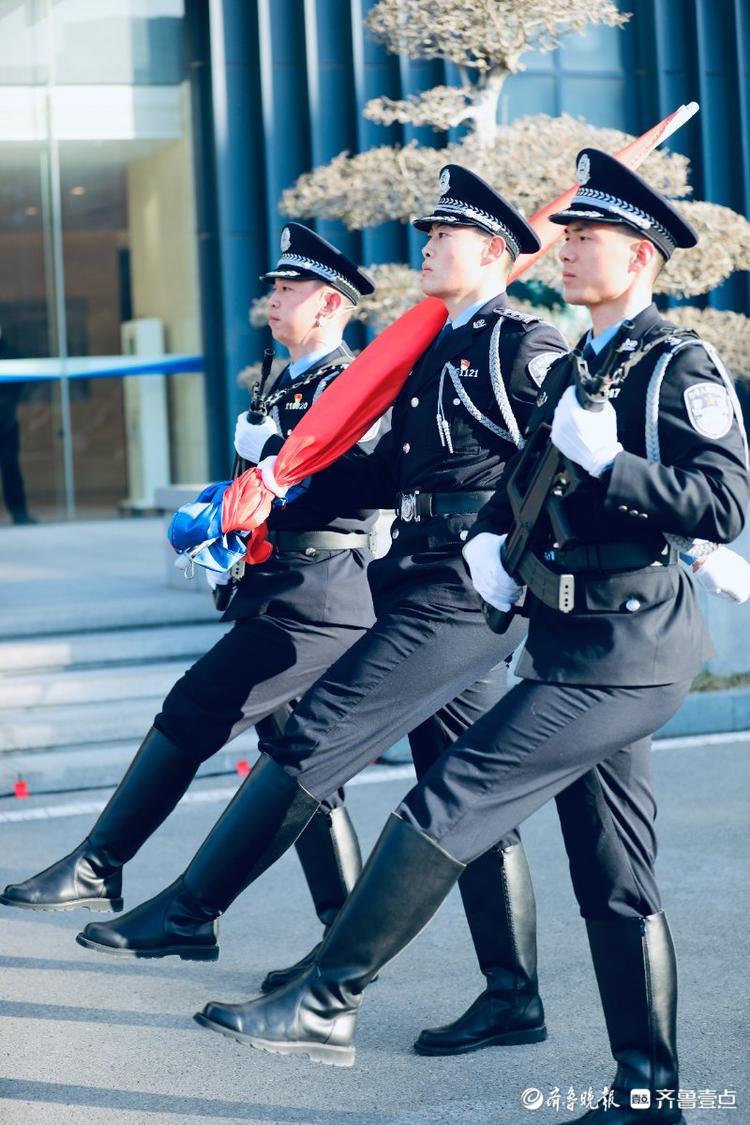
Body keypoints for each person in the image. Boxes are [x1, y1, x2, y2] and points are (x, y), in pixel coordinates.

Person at [189, 150, 748, 1125]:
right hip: (568, 640)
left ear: (641, 258)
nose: (566, 249)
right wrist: (492, 547)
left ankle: (326, 1001)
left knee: (450, 796)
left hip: (628, 651)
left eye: (588, 237)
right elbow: (524, 480)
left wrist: (614, 467)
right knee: (613, 876)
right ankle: (649, 1090)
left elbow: (724, 501)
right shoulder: (578, 365)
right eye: (567, 234)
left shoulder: (677, 363)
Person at [66, 166, 571, 1057]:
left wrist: (523, 557)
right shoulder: (430, 351)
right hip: (415, 574)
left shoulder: (519, 344)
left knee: (315, 733)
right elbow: (381, 476)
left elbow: (567, 461)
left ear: (495, 250)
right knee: (468, 792)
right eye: (428, 232)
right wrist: (270, 486)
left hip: (466, 589)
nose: (426, 246)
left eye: (444, 235)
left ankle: (193, 910)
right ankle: (512, 994)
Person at [1, 225, 383, 976]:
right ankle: (341, 943)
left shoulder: (351, 386)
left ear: (332, 304)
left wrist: (281, 463)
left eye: (292, 290)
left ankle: (99, 865)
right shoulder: (286, 382)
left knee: (195, 705)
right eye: (275, 288)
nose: (275, 300)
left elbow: (363, 488)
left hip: (320, 596)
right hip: (276, 585)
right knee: (301, 770)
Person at [0, 327, 35, 525]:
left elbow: (19, 383)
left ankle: (19, 512)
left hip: (6, 421)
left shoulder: (11, 354)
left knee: (10, 467)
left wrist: (6, 406)